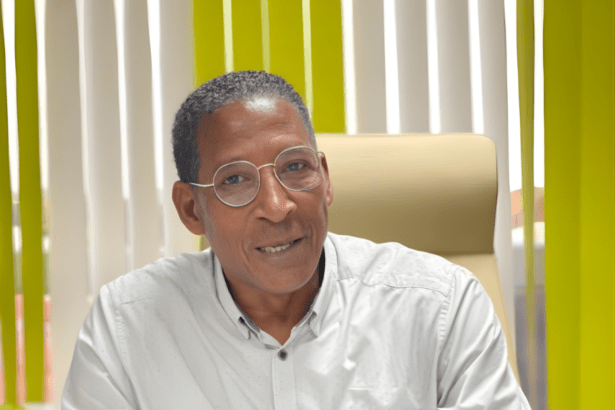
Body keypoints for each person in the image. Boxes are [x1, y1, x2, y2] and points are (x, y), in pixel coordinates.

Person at [62, 71, 530, 409]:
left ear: (325, 179)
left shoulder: (441, 306)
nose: (277, 205)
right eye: (235, 180)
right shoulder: (127, 326)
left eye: (295, 167)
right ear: (191, 209)